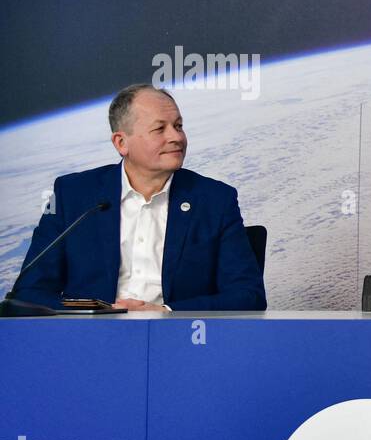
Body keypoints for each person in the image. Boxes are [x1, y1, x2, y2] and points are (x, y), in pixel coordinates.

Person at [9, 84, 267, 311]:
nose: (176, 137)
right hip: (92, 342)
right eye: (160, 129)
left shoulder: (214, 199)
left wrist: (166, 311)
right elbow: (29, 292)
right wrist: (95, 314)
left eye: (178, 126)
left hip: (180, 340)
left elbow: (248, 296)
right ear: (121, 143)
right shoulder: (73, 195)